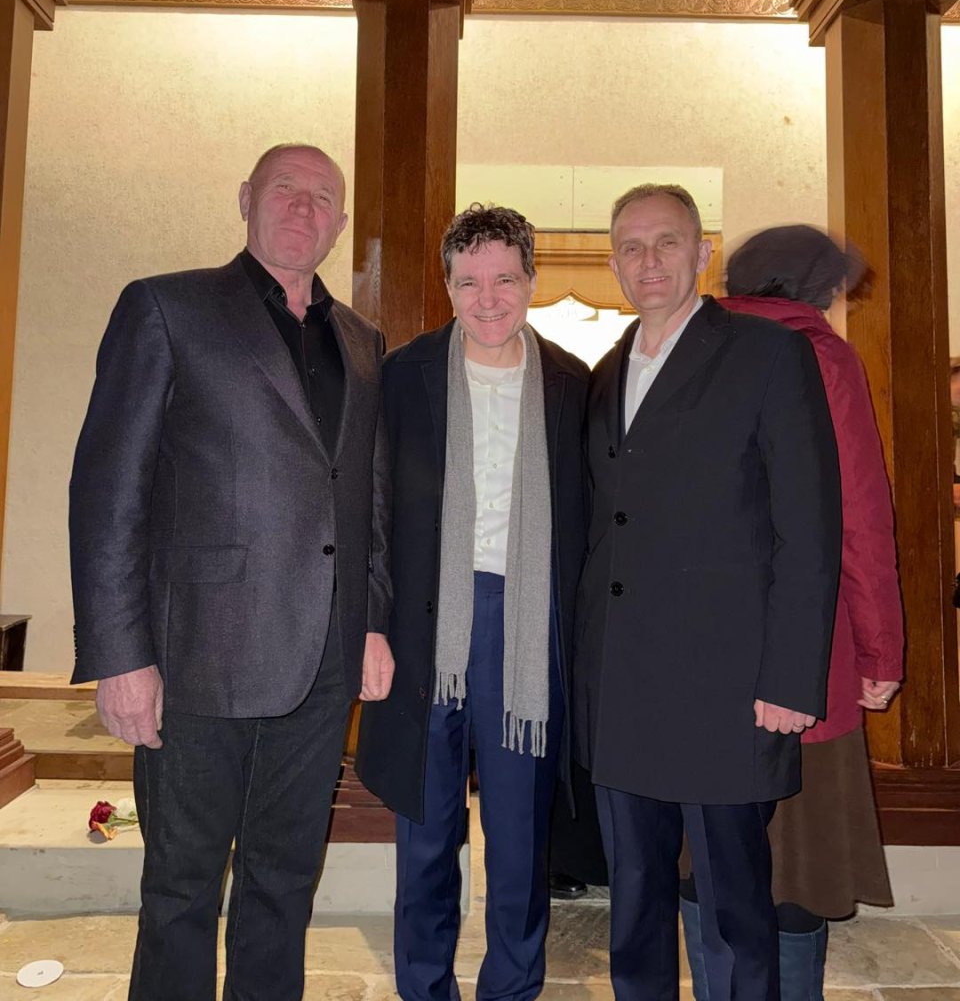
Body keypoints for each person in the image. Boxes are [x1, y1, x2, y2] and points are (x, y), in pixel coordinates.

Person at [69, 144, 394, 1001]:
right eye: (285, 189)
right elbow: (108, 491)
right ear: (246, 198)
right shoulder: (167, 308)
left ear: (340, 223)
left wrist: (371, 619)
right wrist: (120, 657)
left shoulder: (363, 342)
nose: (303, 207)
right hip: (196, 659)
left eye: (322, 197)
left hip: (321, 665)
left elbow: (368, 500)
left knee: (284, 881)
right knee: (181, 888)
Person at [574, 184, 842, 1001]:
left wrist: (791, 678)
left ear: (703, 252)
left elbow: (810, 527)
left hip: (728, 687)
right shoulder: (605, 371)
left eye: (666, 242)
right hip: (622, 685)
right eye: (630, 246)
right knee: (634, 907)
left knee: (734, 911)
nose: (648, 261)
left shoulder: (768, 355)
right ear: (613, 262)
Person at [356, 203, 589, 1001]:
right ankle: (424, 987)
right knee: (426, 837)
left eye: (505, 280)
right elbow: (370, 513)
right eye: (469, 283)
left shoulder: (571, 384)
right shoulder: (404, 375)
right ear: (448, 286)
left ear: (532, 281)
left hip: (526, 632)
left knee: (520, 841)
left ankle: (512, 987)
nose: (488, 300)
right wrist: (370, 626)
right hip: (427, 630)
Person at [675, 224, 903, 1001]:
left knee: (706, 851)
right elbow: (859, 519)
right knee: (799, 861)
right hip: (808, 654)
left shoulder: (689, 349)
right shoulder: (822, 358)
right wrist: (881, 651)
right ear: (813, 287)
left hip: (698, 655)